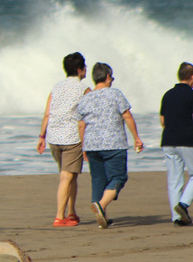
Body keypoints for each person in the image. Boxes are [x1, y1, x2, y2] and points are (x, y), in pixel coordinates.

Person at [76, 63, 144, 229]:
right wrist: (136, 137)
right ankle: (101, 206)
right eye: (111, 77)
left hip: (92, 144)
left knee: (98, 180)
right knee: (119, 177)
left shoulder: (86, 97)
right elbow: (127, 115)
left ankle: (102, 218)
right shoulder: (115, 94)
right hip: (114, 143)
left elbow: (81, 124)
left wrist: (83, 146)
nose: (112, 80)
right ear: (107, 77)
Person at [36, 52, 91, 227]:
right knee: (66, 177)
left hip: (54, 137)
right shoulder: (84, 89)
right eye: (85, 67)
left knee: (70, 176)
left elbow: (47, 113)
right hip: (72, 138)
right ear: (80, 69)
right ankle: (59, 216)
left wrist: (41, 136)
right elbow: (90, 115)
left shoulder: (56, 87)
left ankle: (71, 212)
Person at [159, 62, 193, 226]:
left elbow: (162, 120)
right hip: (187, 140)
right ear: (192, 77)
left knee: (174, 180)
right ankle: (183, 204)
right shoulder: (191, 95)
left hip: (168, 140)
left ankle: (177, 217)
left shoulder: (168, 94)